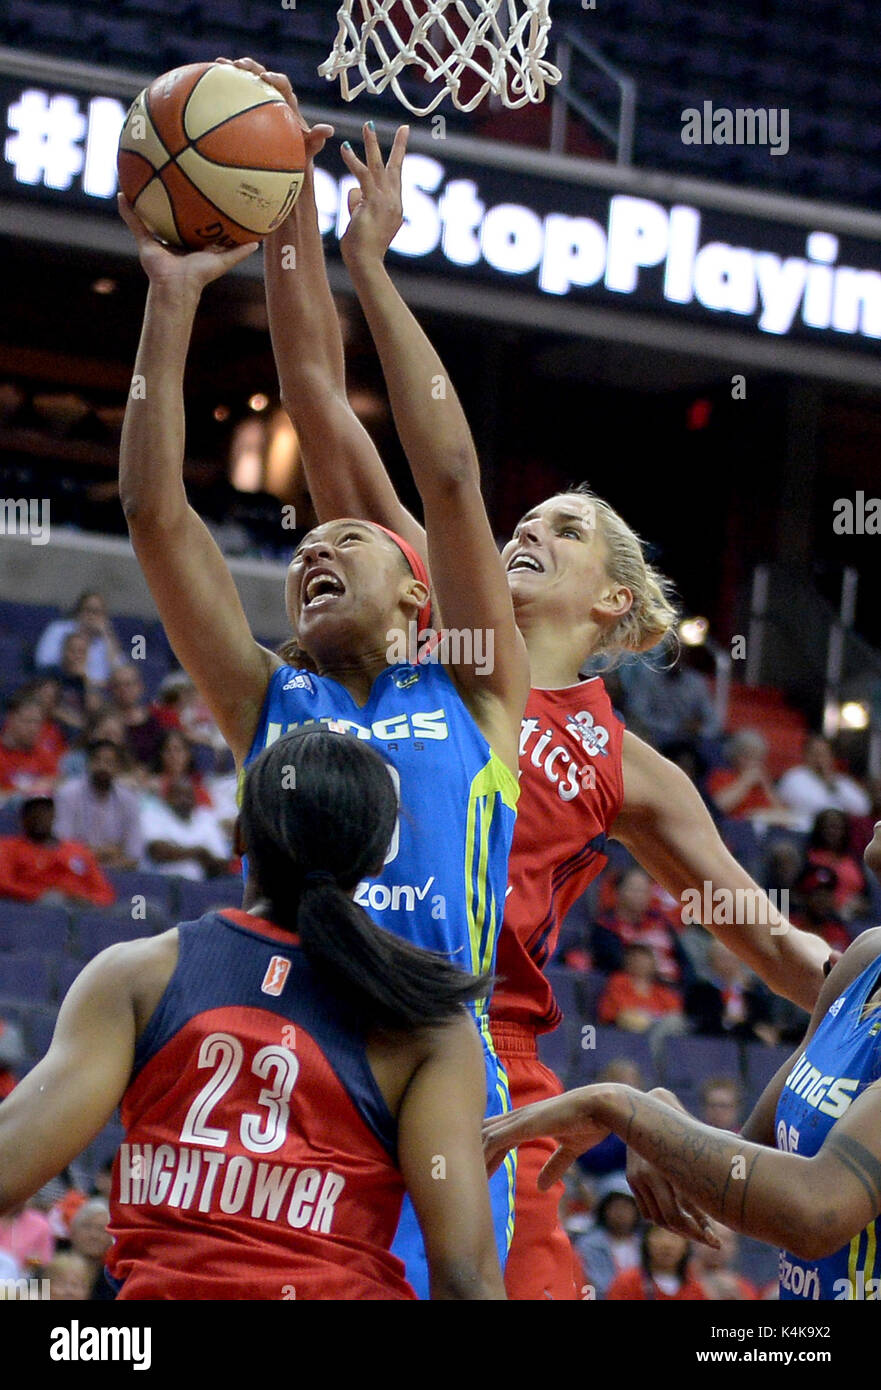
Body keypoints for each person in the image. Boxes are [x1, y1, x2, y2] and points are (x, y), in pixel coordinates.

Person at [252, 56, 833, 1299]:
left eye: (564, 529)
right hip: (331, 996)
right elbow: (312, 386)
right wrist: (288, 204)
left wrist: (863, 979)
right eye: (532, 511)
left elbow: (772, 947)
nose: (529, 526)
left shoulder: (632, 766)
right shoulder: (419, 596)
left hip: (490, 1058)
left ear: (612, 602)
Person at [116, 122, 528, 1300]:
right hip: (280, 1061)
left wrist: (370, 267)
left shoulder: (474, 684)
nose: (313, 550)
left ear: (416, 586)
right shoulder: (267, 697)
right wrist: (172, 298)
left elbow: (447, 480)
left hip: (431, 1070)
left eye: (344, 535)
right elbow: (156, 519)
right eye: (301, 549)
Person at [0, 729, 506, 1300]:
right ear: (376, 857)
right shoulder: (428, 1019)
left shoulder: (136, 975)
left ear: (241, 833)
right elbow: (466, 1278)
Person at [484, 822, 881, 1301]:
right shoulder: (864, 959)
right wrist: (662, 1116)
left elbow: (814, 1213)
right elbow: (751, 1160)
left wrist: (622, 1109)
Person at [0, 795, 115, 908]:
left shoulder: (78, 849)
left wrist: (89, 901)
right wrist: (39, 895)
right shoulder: (8, 847)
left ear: (54, 815)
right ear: (23, 818)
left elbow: (105, 892)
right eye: (33, 811)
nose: (39, 815)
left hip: (80, 913)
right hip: (33, 911)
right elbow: (3, 884)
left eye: (45, 811)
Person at [53, 740, 144, 871]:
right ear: (88, 764)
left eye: (109, 762)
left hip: (117, 873)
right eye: (97, 760)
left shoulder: (129, 800)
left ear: (118, 768)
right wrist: (107, 852)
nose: (102, 766)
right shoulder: (68, 794)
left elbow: (134, 856)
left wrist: (91, 856)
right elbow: (61, 847)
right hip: (74, 870)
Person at [140, 778, 231, 882]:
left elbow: (223, 863)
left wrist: (183, 852)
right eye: (178, 795)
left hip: (201, 886)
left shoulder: (205, 818)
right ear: (167, 797)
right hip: (161, 882)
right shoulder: (154, 814)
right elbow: (157, 852)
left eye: (188, 796)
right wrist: (199, 853)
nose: (184, 800)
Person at [777, 733, 871, 833]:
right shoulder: (794, 777)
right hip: (804, 832)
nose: (819, 759)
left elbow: (863, 808)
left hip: (837, 837)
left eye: (824, 754)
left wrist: (832, 786)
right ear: (805, 755)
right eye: (815, 753)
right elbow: (815, 806)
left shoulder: (840, 781)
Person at [34, 592, 125, 685]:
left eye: (98, 612)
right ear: (79, 611)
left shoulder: (105, 640)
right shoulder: (59, 629)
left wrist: (107, 634)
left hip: (100, 691)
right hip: (62, 684)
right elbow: (43, 662)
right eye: (89, 610)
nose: (92, 616)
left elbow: (121, 673)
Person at [605, 1224, 706, 1300]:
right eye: (659, 1235)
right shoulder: (627, 1282)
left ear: (686, 1246)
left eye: (674, 1236)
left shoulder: (695, 1290)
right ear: (646, 1241)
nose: (666, 1244)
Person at [597, 943, 683, 1032]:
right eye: (636, 958)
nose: (640, 963)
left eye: (645, 959)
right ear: (627, 962)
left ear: (654, 964)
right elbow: (621, 1010)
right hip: (621, 1030)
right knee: (630, 1018)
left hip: (656, 1028)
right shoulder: (618, 981)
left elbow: (675, 1013)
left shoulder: (661, 991)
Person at [0, 693, 60, 801]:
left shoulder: (44, 754)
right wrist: (27, 792)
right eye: (28, 721)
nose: (33, 728)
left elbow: (56, 781)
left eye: (37, 723)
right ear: (11, 719)